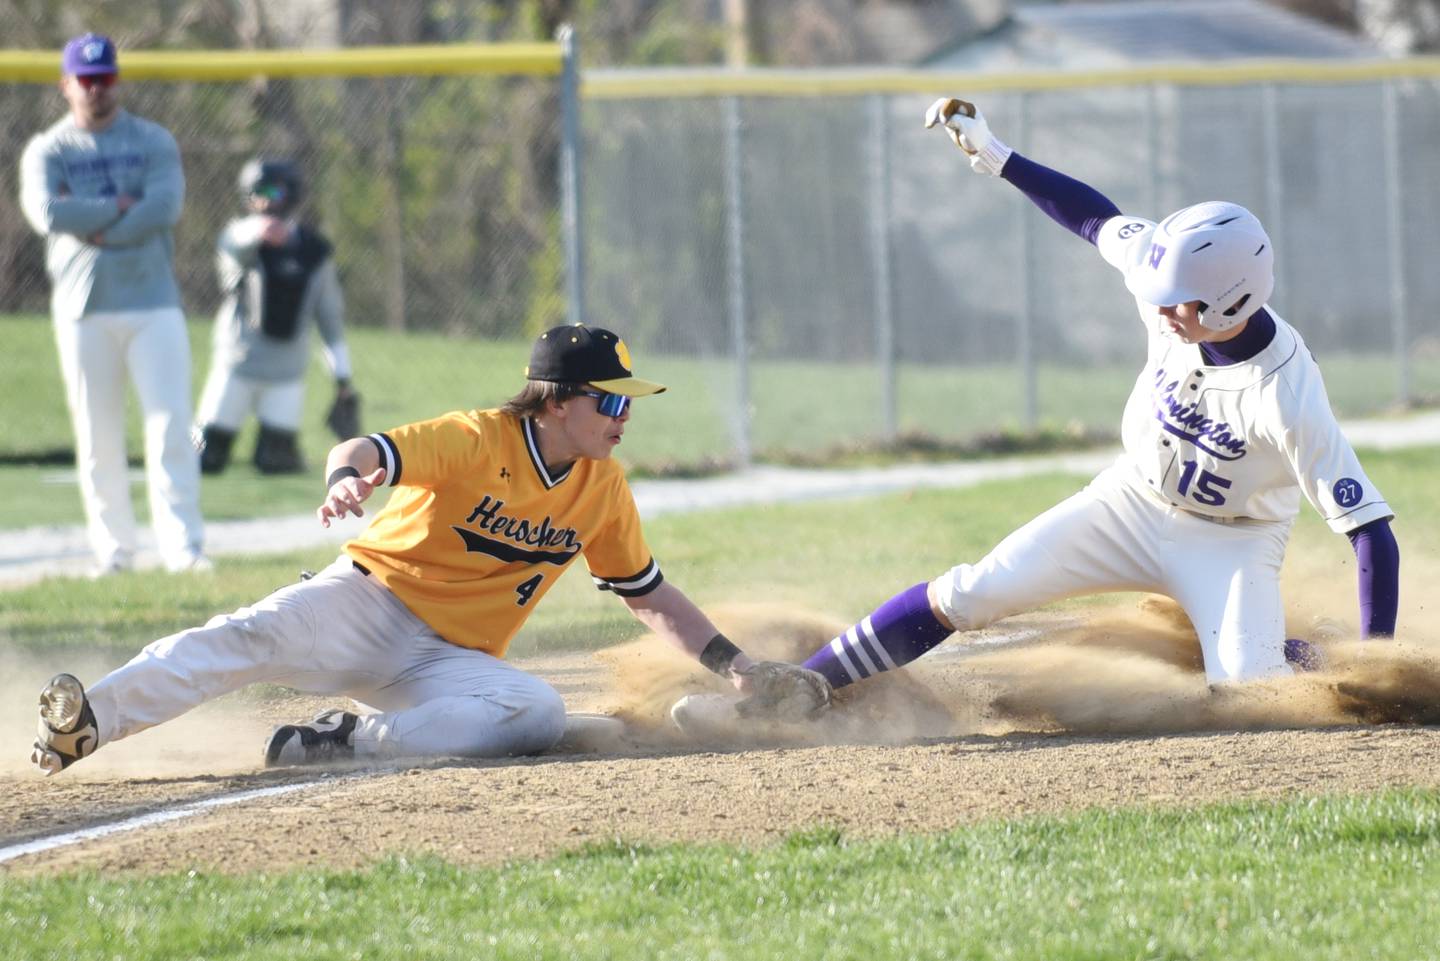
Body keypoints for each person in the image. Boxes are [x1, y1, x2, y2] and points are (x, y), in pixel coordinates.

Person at [675, 97, 1401, 734]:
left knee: (1252, 695)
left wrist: (1376, 665)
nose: (1162, 306)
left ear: (1233, 301)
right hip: (1129, 504)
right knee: (971, 589)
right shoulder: (1170, 285)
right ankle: (800, 687)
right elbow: (1095, 218)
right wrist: (995, 154)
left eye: (1181, 299)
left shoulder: (1286, 393)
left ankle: (1313, 652)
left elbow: (1371, 533)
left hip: (1232, 543)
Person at [31, 324, 832, 774]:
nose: (625, 414)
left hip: (447, 659)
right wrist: (349, 481)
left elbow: (649, 595)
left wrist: (739, 668)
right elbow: (365, 447)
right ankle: (87, 720)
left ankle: (343, 740)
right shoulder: (476, 437)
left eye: (629, 400)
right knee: (245, 635)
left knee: (535, 708)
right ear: (557, 402)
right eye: (610, 398)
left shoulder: (602, 486)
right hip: (367, 603)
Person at [18, 33, 206, 575]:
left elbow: (164, 207)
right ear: (66, 84)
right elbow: (49, 213)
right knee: (98, 437)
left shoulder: (151, 140)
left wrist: (95, 221)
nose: (96, 89)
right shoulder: (49, 149)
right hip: (83, 307)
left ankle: (184, 548)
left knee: (171, 427)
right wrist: (120, 207)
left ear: (116, 81)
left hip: (153, 301)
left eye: (104, 78)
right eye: (86, 79)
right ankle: (115, 550)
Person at [194, 157, 359, 475]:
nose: (267, 200)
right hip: (238, 363)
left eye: (276, 192)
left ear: (293, 196)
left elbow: (330, 318)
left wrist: (342, 380)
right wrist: (257, 232)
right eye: (259, 192)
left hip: (286, 371)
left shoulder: (314, 251)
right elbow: (233, 244)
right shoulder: (239, 239)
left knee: (277, 460)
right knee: (204, 454)